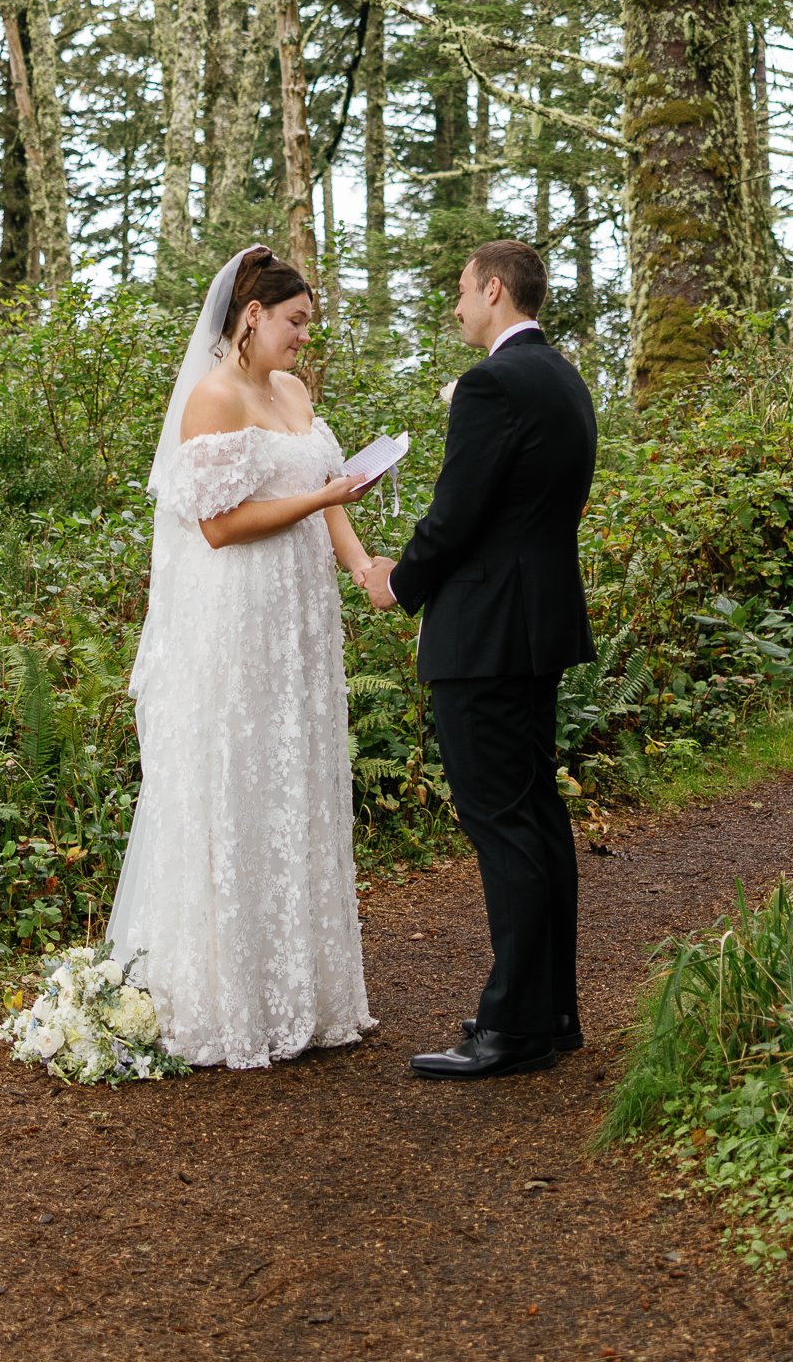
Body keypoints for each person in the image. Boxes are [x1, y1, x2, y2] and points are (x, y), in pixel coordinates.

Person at [107, 243, 389, 1067]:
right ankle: (224, 998)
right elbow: (221, 528)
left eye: (309, 324)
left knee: (296, 779)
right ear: (253, 316)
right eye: (296, 322)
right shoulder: (213, 400)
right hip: (240, 621)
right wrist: (324, 496)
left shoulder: (295, 393)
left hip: (301, 622)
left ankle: (301, 989)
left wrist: (364, 564)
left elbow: (331, 492)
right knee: (238, 780)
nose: (305, 338)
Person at [366, 239, 597, 1079]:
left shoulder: (491, 385)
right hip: (538, 627)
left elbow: (455, 513)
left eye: (462, 291)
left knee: (502, 824)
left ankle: (511, 1029)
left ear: (494, 291)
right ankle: (551, 1011)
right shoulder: (563, 377)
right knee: (537, 816)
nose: (456, 305)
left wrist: (400, 580)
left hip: (486, 634)